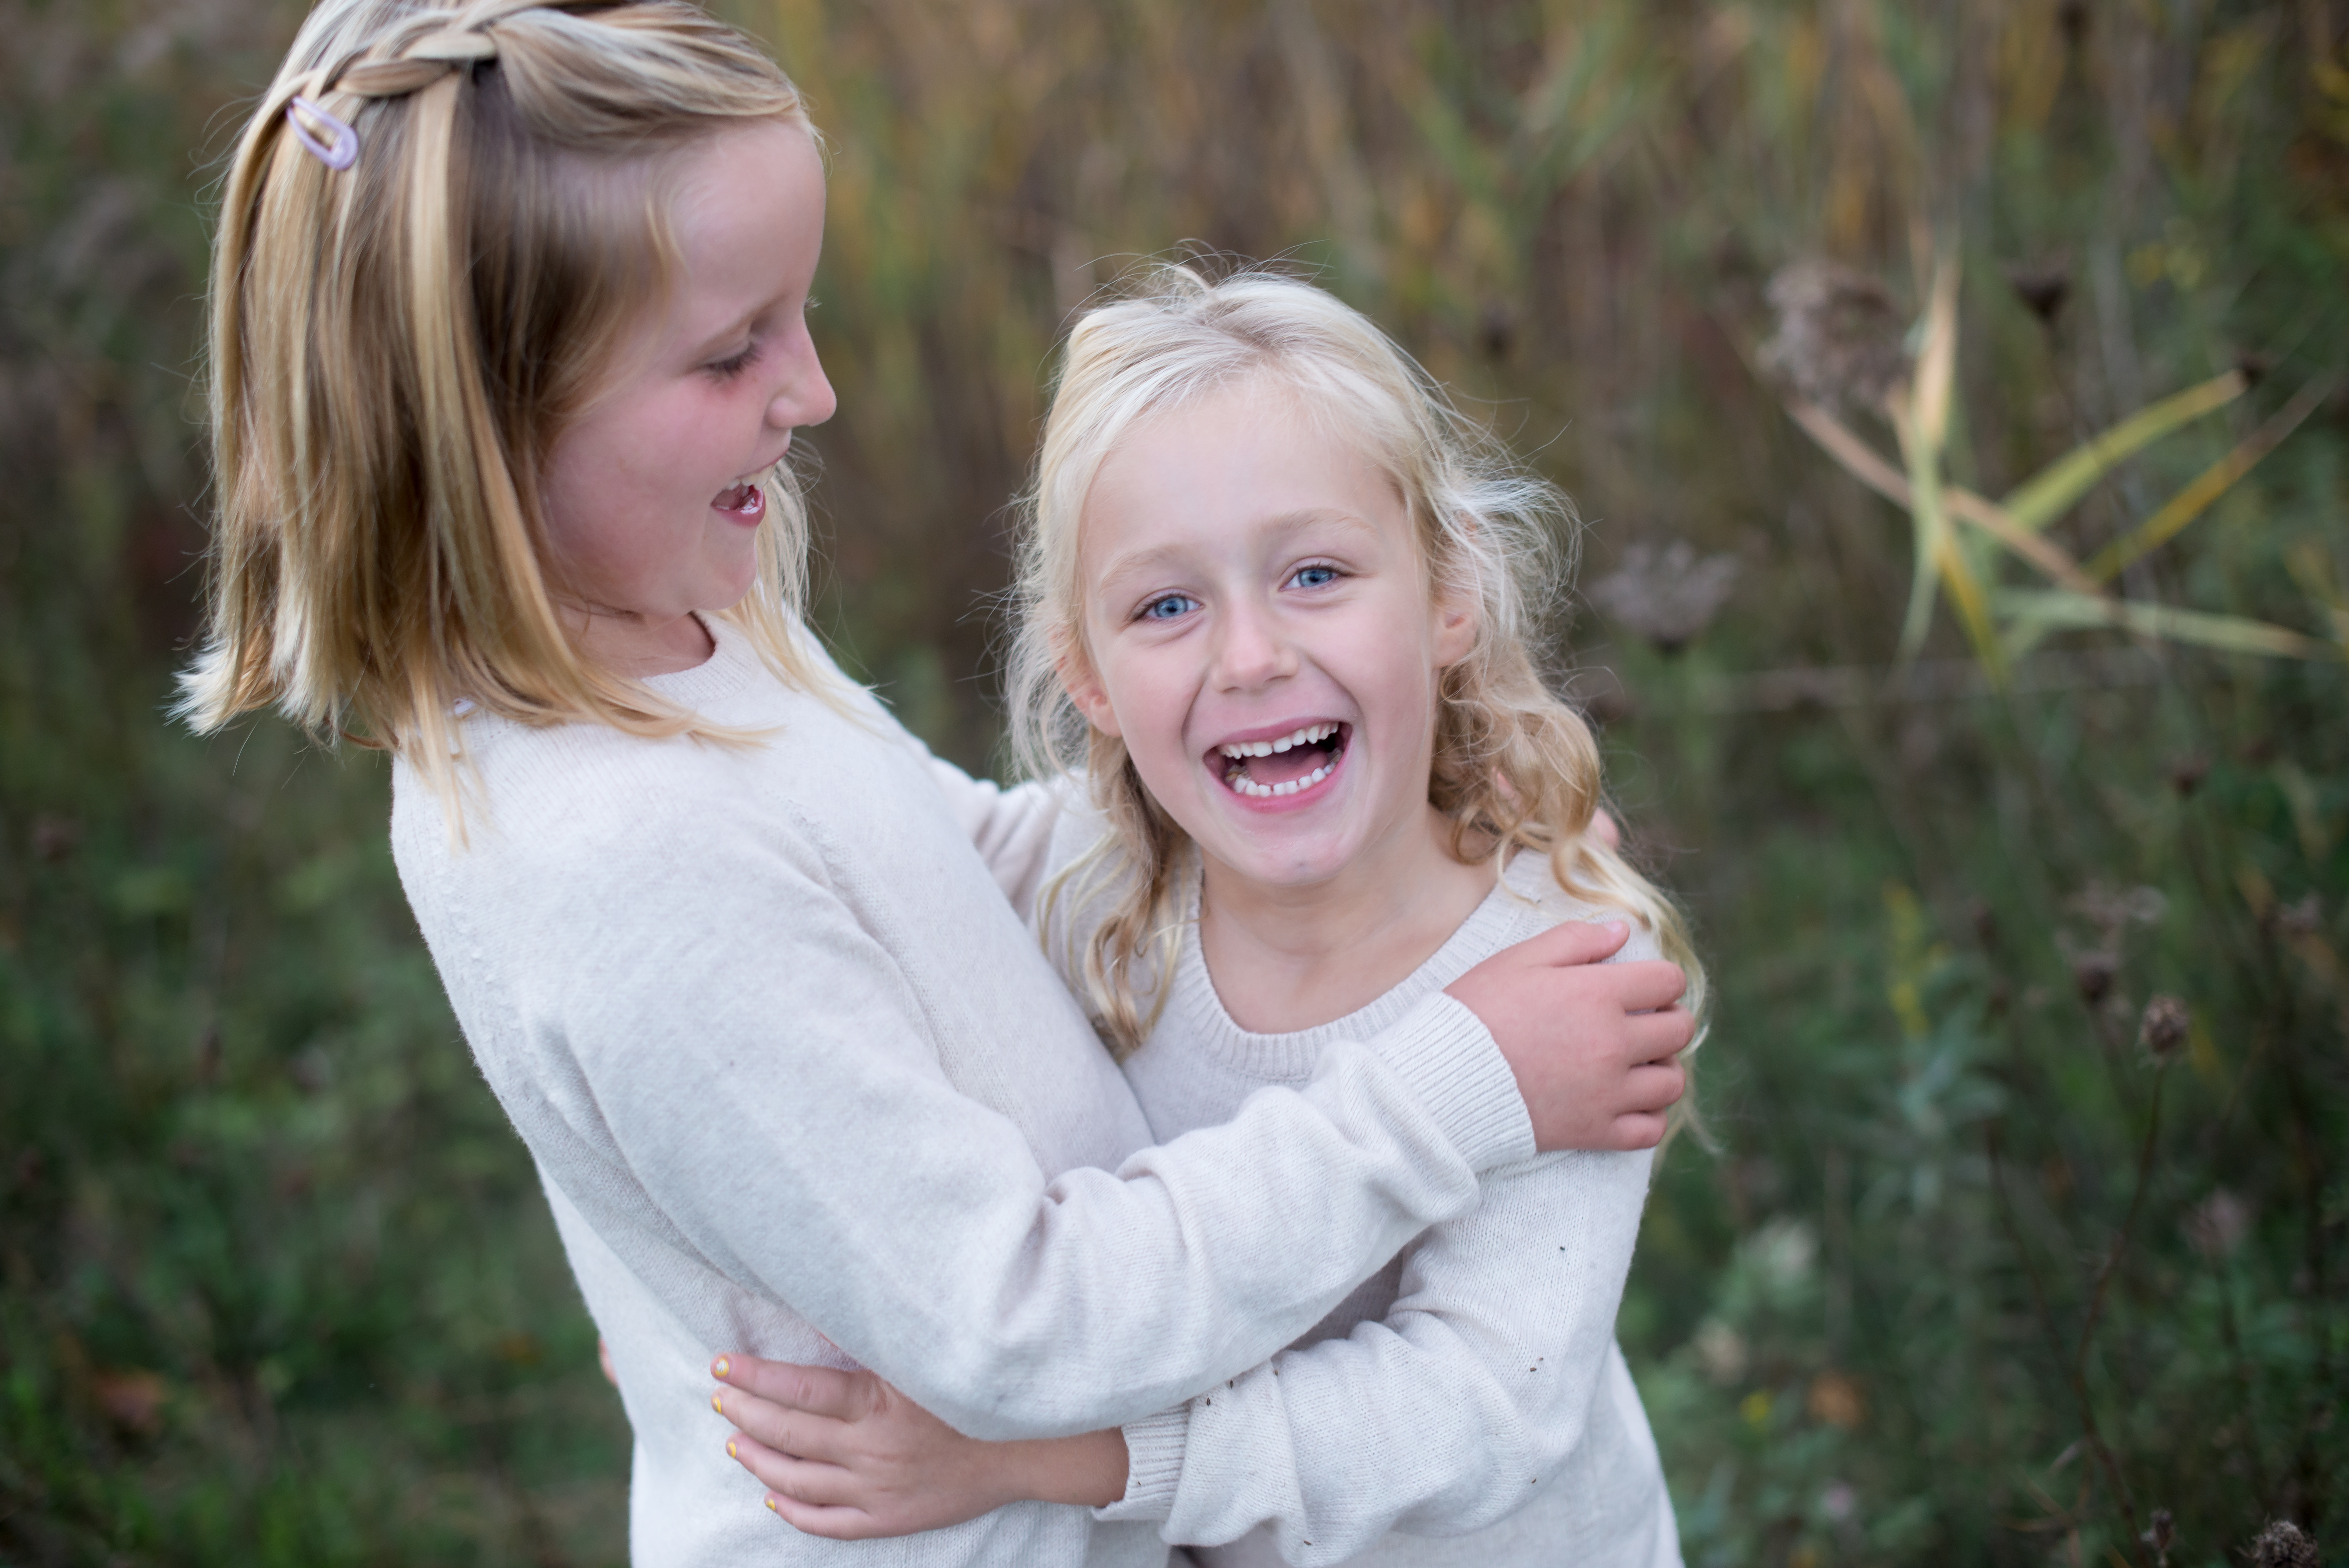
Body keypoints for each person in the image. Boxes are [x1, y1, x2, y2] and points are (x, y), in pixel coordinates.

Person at [178, 6, 1694, 1566]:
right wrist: (1462, 1075)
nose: (814, 390)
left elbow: (925, 865)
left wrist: (1444, 824)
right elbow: (1015, 1318)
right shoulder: (609, 845)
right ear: (486, 424)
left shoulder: (677, 639)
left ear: (1447, 599)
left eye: (802, 314)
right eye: (730, 350)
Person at [706, 269, 1701, 1566]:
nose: (1249, 657)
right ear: (1090, 676)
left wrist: (1031, 1464)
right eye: (1166, 606)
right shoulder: (1090, 877)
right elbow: (862, 840)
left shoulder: (1556, 976)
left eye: (1317, 573)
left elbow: (1478, 1411)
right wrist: (709, 1259)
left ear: (1449, 595)